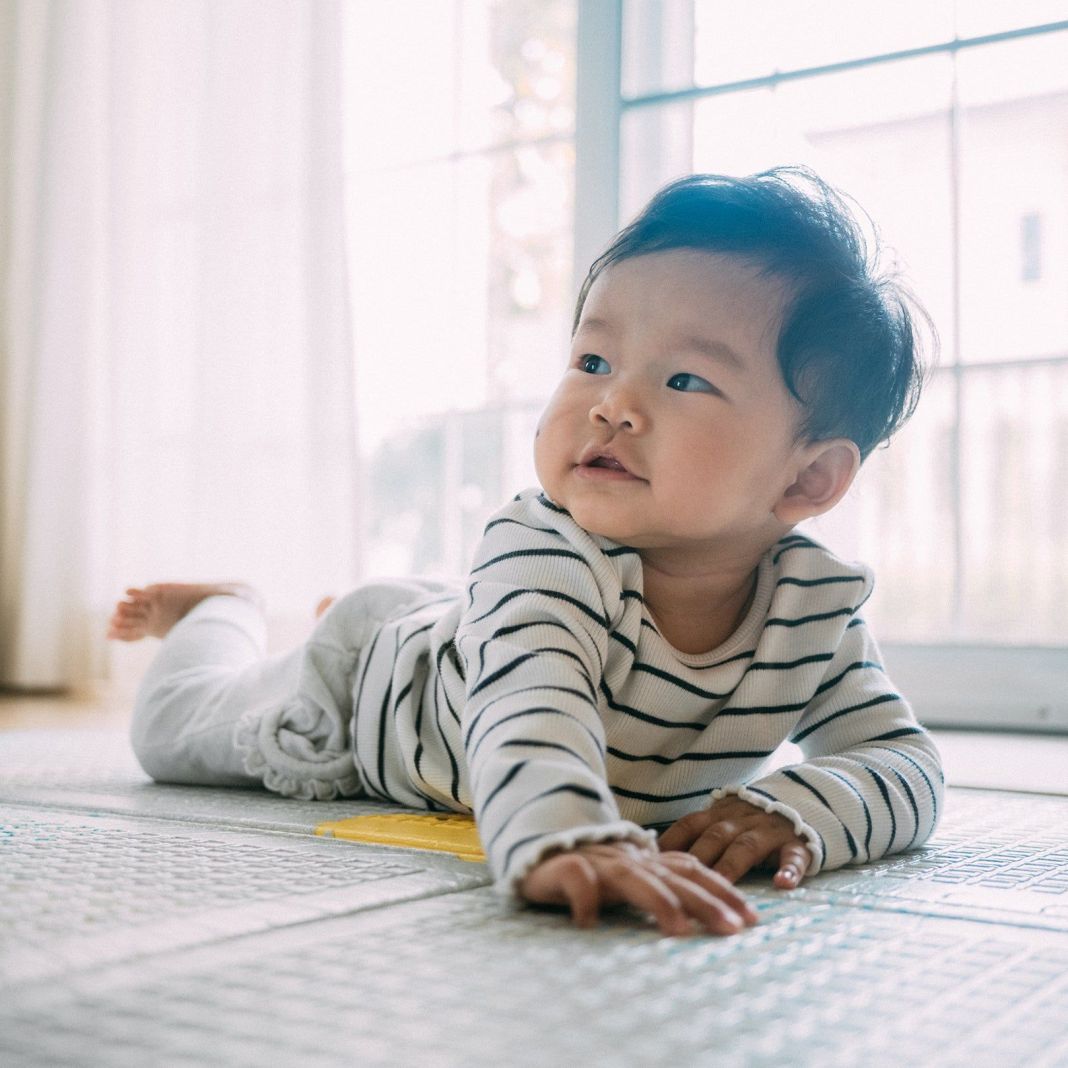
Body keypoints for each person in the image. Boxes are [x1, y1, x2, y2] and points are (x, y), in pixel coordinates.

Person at [109, 166, 942, 938]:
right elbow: (530, 712)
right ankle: (226, 611)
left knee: (476, 618)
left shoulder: (812, 610)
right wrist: (566, 837)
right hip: (367, 689)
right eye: (593, 359)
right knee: (170, 732)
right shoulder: (543, 553)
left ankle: (403, 609)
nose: (612, 404)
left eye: (684, 381)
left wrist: (803, 807)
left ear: (808, 481)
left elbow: (907, 762)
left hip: (471, 623)